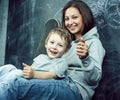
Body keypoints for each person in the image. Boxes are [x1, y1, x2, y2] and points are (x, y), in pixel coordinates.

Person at [0, 0, 105, 100]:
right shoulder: (67, 43)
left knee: (14, 84)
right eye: (67, 19)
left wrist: (86, 58)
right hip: (55, 79)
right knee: (8, 70)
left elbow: (94, 79)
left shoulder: (94, 43)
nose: (70, 22)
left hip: (74, 88)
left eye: (74, 17)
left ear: (85, 17)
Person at [0, 27, 72, 81]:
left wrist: (33, 74)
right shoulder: (41, 57)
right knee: (9, 67)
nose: (54, 47)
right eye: (52, 42)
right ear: (46, 44)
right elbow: (31, 68)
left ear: (66, 50)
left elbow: (51, 75)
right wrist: (28, 71)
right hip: (29, 78)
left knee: (17, 73)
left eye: (60, 45)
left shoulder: (62, 62)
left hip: (37, 82)